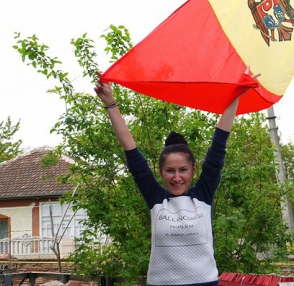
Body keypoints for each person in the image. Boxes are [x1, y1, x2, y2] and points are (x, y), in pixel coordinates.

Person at [94, 69, 258, 286]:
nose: (177, 177)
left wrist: (237, 93)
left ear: (193, 171)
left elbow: (219, 143)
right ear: (161, 172)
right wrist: (110, 103)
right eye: (170, 171)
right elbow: (131, 151)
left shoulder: (203, 196)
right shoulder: (156, 199)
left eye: (183, 170)